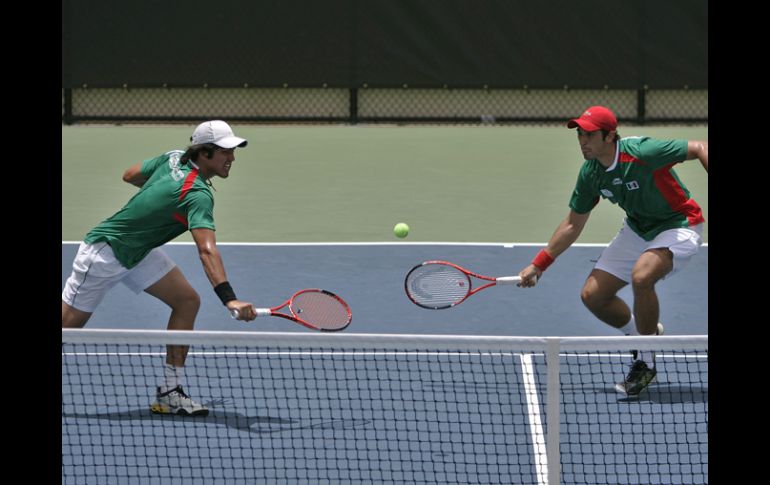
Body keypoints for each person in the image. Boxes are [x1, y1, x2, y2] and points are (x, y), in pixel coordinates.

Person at [62, 120, 259, 416]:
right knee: (67, 329)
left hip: (139, 252)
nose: (231, 158)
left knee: (186, 301)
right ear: (204, 153)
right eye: (225, 152)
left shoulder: (172, 157)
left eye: (232, 152)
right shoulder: (197, 195)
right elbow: (206, 250)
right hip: (105, 253)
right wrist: (229, 298)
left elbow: (129, 175)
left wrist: (160, 197)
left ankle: (169, 391)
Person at [517, 106, 708, 396]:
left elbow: (699, 147)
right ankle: (644, 334)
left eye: (589, 134)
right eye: (579, 134)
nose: (582, 140)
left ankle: (646, 362)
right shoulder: (591, 173)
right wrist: (539, 264)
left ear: (609, 136)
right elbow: (572, 223)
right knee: (593, 296)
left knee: (642, 277)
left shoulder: (642, 151)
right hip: (637, 229)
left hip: (678, 224)